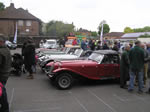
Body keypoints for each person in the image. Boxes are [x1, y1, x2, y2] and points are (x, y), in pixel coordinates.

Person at [0, 36, 11, 112]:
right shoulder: (6, 49)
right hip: (6, 73)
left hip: (1, 74)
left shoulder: (1, 51)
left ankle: (5, 108)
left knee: (2, 92)